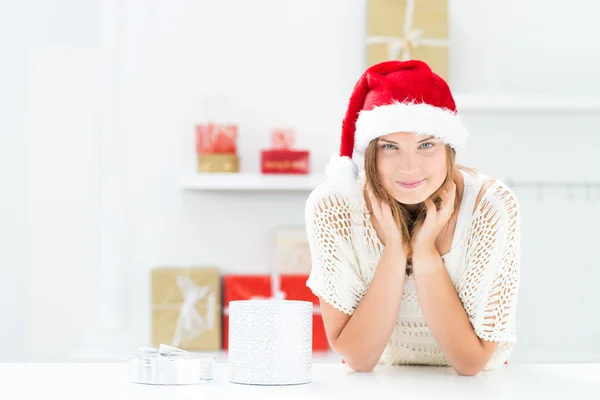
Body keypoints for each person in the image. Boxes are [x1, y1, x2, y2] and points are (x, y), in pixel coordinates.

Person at [304, 60, 521, 376]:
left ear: (448, 148)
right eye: (390, 146)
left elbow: (471, 361)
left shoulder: (490, 206)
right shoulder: (333, 206)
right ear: (370, 153)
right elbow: (358, 358)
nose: (409, 167)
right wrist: (394, 250)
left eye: (426, 144)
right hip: (379, 386)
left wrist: (425, 252)